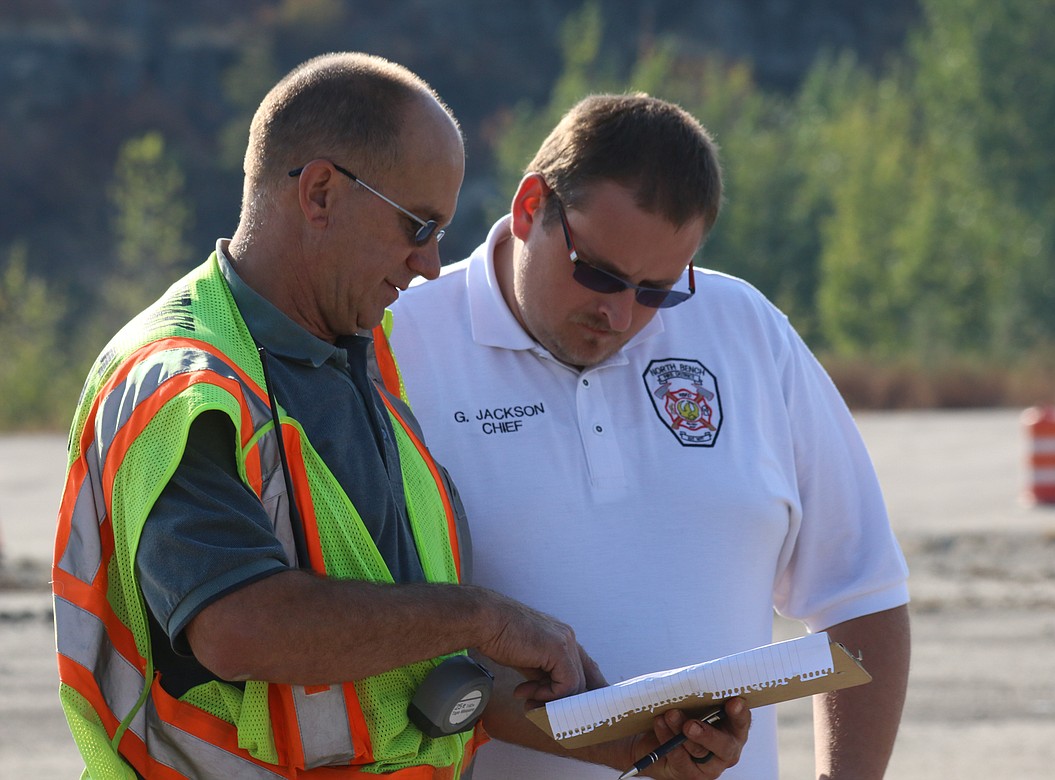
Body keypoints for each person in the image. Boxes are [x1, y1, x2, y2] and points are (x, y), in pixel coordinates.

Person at [52, 57, 749, 779]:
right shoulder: (182, 384)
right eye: (418, 225)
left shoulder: (368, 362)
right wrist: (485, 618)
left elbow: (410, 678)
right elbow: (240, 627)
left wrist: (630, 742)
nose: (428, 263)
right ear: (320, 192)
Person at [387, 93, 912, 779]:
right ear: (528, 209)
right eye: (598, 273)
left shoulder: (747, 329)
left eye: (658, 290)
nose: (619, 313)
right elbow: (365, 641)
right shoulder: (394, 340)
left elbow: (862, 593)